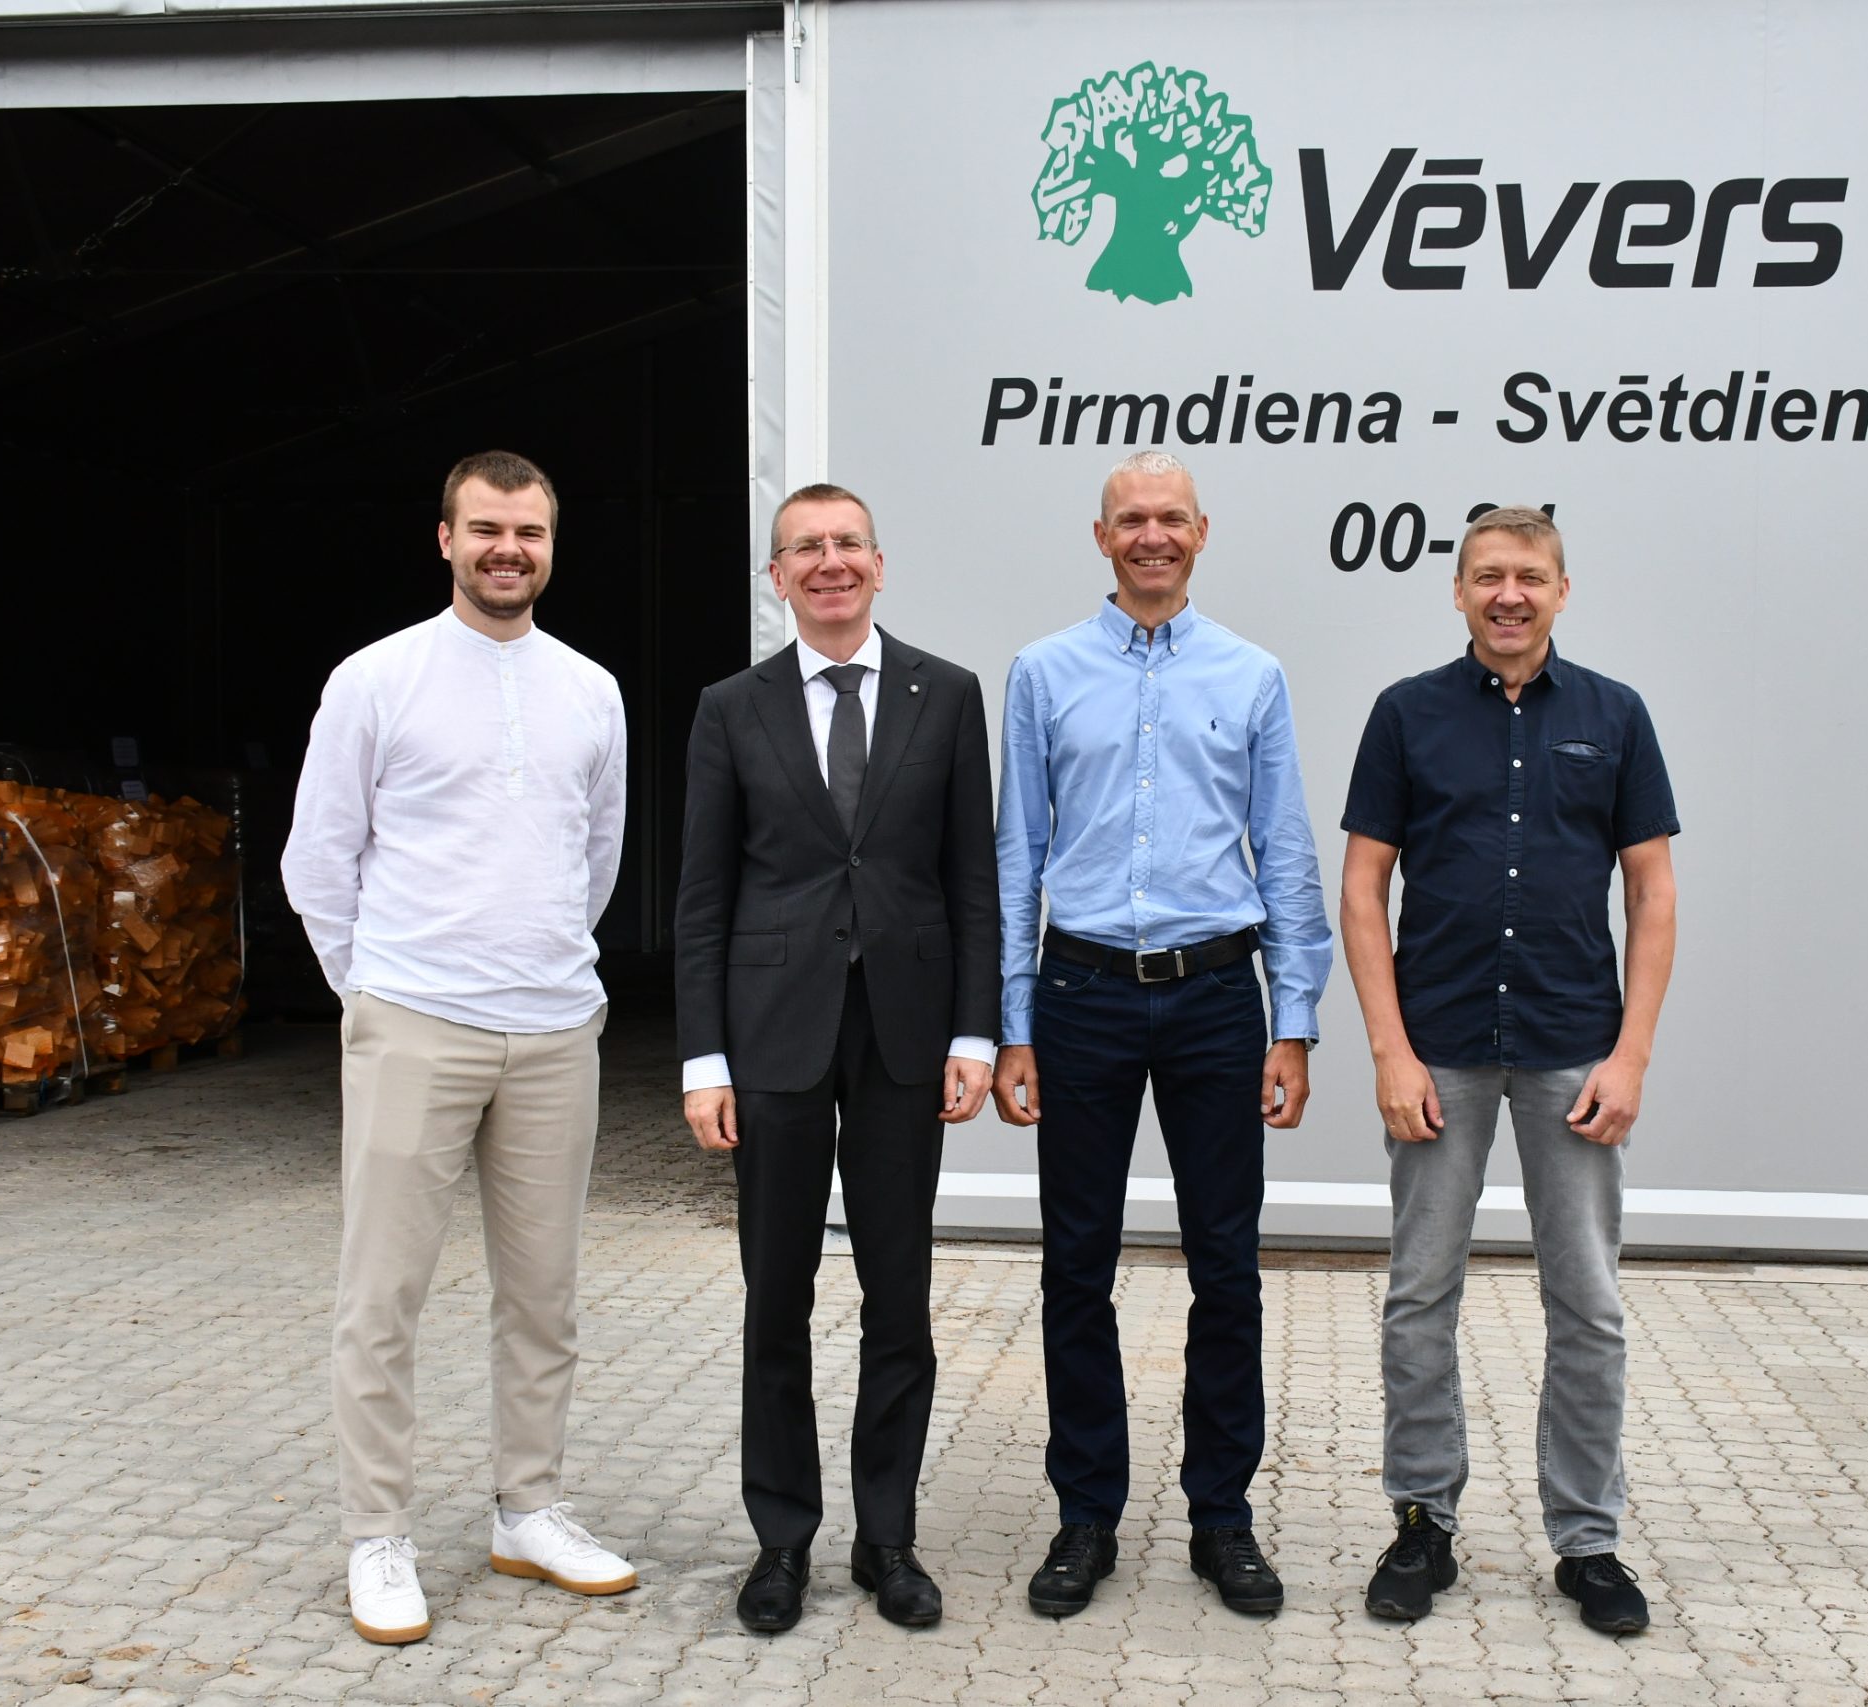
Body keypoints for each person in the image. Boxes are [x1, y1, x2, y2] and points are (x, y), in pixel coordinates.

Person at [283, 450, 636, 1648]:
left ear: (551, 544)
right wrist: (374, 989)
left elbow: (595, 856)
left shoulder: (590, 690)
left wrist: (538, 962)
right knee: (382, 1294)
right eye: (486, 529)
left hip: (555, 1030)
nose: (507, 550)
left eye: (528, 532)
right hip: (414, 1023)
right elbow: (318, 858)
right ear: (445, 539)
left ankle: (527, 1510)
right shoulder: (376, 679)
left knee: (543, 1295)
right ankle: (376, 1533)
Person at [993, 450, 1332, 1619]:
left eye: (1170, 518)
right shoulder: (1042, 673)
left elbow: (1283, 850)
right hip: (1080, 996)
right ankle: (1086, 1513)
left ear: (1200, 533)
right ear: (1101, 538)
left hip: (1213, 1000)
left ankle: (1220, 1516)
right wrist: (1013, 1025)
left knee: (1224, 1266)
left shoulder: (1252, 675)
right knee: (1075, 1265)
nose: (1151, 535)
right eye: (1130, 519)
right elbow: (1017, 857)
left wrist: (1294, 1021)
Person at [1337, 506, 1678, 1632]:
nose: (1508, 595)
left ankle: (1588, 1541)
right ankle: (1421, 1522)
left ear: (1561, 591)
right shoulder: (1407, 714)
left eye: (1528, 576)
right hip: (1437, 1050)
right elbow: (1362, 889)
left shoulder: (1615, 716)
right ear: (1458, 591)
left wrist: (1630, 1055)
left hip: (1572, 1051)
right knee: (1418, 1297)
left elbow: (1652, 892)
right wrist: (1389, 1050)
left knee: (1587, 1303)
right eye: (1487, 576)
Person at [675, 482, 999, 1633]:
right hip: (773, 1034)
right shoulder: (731, 708)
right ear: (777, 576)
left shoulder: (945, 694)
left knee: (897, 1296)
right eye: (804, 548)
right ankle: (780, 1542)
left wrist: (975, 1032)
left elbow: (971, 880)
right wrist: (702, 1061)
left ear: (877, 562)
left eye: (846, 543)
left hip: (905, 1032)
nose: (829, 563)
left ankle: (886, 1538)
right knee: (778, 1294)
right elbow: (703, 896)